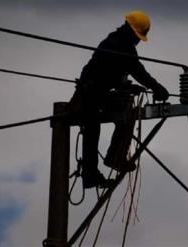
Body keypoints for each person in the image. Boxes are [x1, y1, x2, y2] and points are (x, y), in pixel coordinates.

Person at [69, 11, 169, 189]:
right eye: (138, 36)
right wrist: (156, 87)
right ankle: (96, 171)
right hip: (90, 93)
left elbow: (110, 72)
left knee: (124, 115)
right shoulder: (122, 45)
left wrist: (127, 87)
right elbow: (137, 70)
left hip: (96, 90)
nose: (138, 40)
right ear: (132, 31)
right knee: (93, 129)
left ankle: (112, 159)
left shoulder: (114, 41)